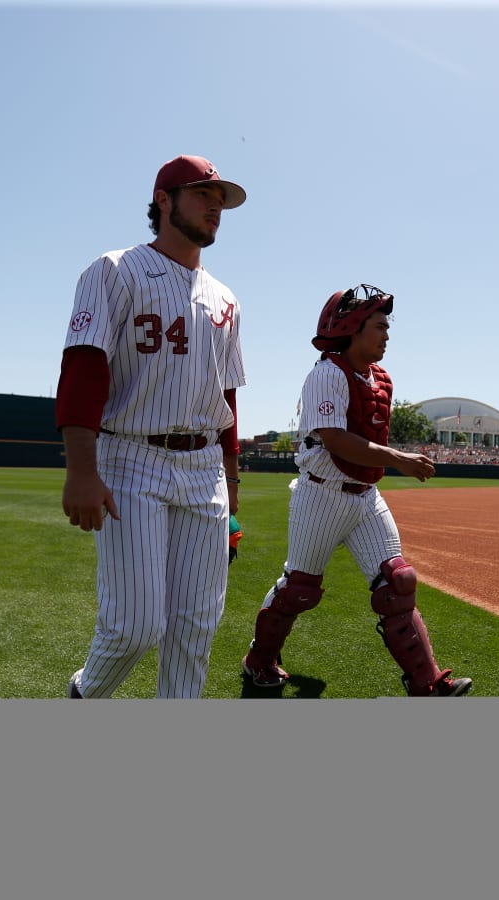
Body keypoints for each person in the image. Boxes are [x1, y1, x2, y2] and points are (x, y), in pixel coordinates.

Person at [57, 154, 247, 698]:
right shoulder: (116, 270)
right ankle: (85, 694)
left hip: (205, 469)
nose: (215, 207)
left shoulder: (227, 299)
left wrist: (232, 492)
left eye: (220, 202)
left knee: (196, 628)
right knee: (135, 627)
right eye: (202, 196)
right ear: (163, 200)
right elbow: (84, 366)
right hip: (132, 459)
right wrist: (81, 470)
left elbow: (227, 396)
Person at [240, 284, 473, 697]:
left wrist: (392, 461)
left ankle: (428, 685)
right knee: (300, 590)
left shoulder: (379, 379)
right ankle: (259, 661)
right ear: (352, 327)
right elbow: (335, 439)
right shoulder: (327, 373)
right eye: (380, 326)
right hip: (322, 493)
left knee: (397, 582)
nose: (387, 335)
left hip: (365, 496)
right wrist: (400, 459)